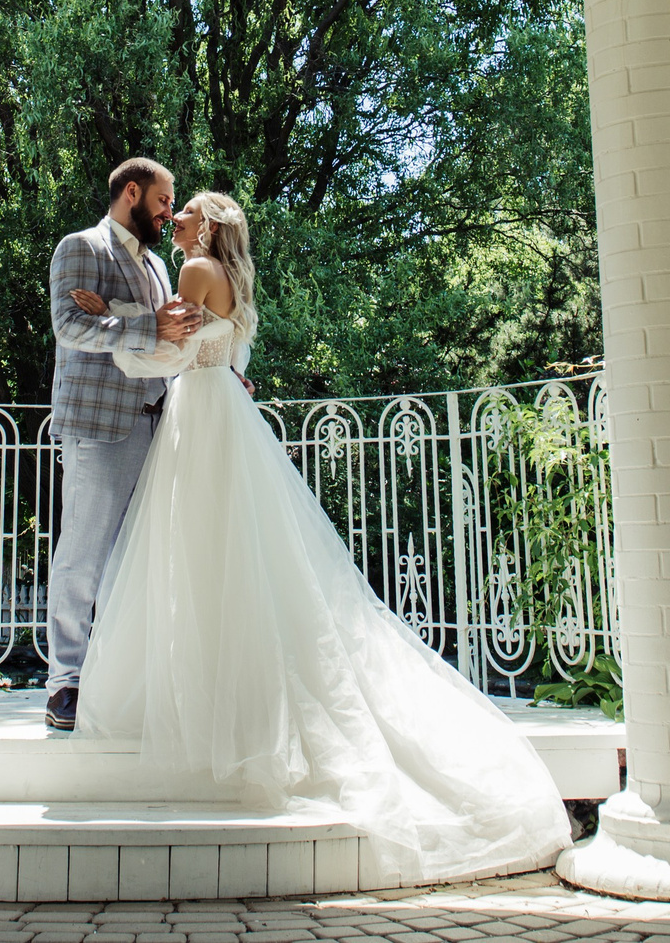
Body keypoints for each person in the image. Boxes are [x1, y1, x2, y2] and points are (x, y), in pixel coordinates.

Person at [67, 190, 572, 887]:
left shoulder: (193, 271)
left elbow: (166, 353)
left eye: (185, 212)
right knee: (236, 564)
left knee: (201, 561)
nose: (174, 216)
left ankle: (221, 709)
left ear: (208, 226)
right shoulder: (234, 280)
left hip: (203, 417)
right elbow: (211, 346)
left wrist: (116, 327)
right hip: (226, 415)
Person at [42, 157, 199, 732]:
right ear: (131, 192)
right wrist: (143, 325)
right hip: (98, 426)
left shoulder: (160, 265)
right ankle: (66, 681)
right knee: (84, 553)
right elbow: (69, 326)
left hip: (161, 427)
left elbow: (171, 342)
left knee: (140, 559)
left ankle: (121, 679)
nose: (169, 211)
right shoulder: (80, 248)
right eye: (162, 199)